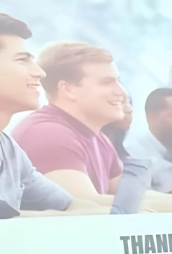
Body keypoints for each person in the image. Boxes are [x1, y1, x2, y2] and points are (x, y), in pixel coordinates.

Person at [0, 14, 104, 218]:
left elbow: (67, 205)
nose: (40, 73)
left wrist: (136, 216)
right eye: (22, 60)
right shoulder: (47, 131)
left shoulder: (9, 149)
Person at [12, 41, 125, 201]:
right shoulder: (48, 134)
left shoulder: (99, 138)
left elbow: (132, 196)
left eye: (119, 81)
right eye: (107, 82)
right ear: (68, 89)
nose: (122, 92)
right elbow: (83, 208)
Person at [101, 94, 152, 214]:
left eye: (130, 103)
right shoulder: (91, 152)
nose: (130, 110)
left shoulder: (131, 157)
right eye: (121, 103)